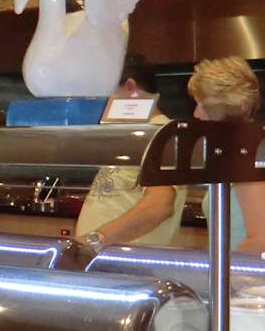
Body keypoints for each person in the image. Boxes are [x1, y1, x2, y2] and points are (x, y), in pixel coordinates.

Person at [76, 54, 187, 248]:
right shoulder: (133, 134)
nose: (98, 101)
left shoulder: (162, 133)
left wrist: (95, 241)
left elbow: (160, 206)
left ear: (130, 87)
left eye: (103, 92)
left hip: (128, 261)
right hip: (104, 259)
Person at [192, 57, 265, 254]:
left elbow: (263, 242)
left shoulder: (243, 156)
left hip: (244, 273)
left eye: (201, 105)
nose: (196, 114)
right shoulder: (254, 147)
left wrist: (218, 267)